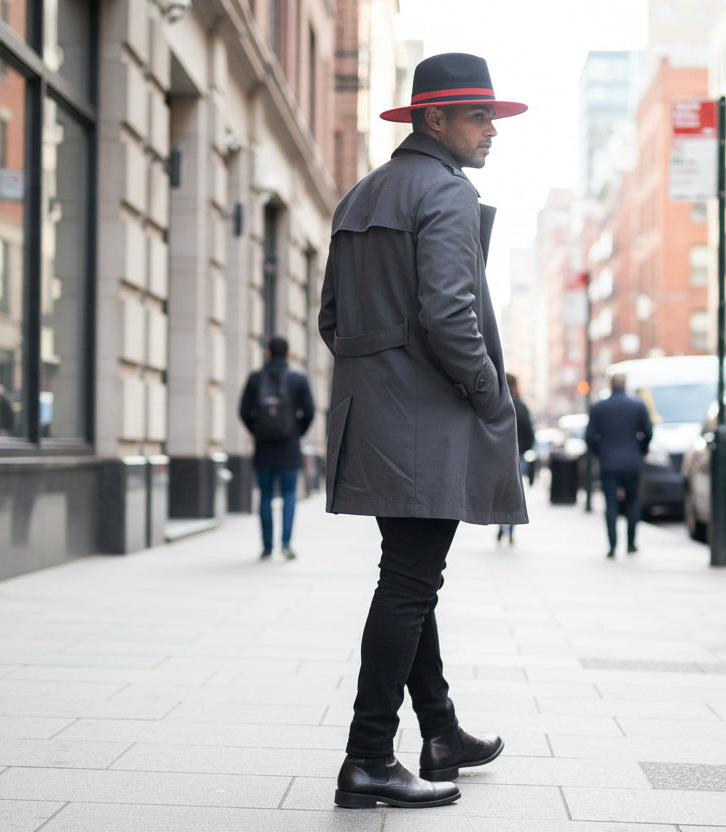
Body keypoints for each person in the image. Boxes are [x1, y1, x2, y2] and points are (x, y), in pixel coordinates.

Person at [319, 52, 529, 809]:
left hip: (373, 421)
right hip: (428, 423)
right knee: (409, 583)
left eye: (493, 117)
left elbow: (331, 322)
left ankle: (440, 732)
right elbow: (450, 318)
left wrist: (383, 377)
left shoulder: (360, 195)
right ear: (432, 118)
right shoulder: (442, 195)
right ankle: (368, 757)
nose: (491, 131)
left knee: (410, 579)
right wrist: (488, 394)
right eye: (479, 116)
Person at [238, 335, 315, 559]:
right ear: (288, 353)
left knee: (265, 496)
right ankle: (286, 544)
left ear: (267, 352)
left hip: (263, 448)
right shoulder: (298, 379)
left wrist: (257, 431)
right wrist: (296, 432)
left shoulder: (255, 378)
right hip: (289, 448)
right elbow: (309, 412)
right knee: (290, 495)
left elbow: (243, 412)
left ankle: (267, 546)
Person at [586, 373, 653, 558]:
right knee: (633, 501)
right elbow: (648, 432)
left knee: (611, 504)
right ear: (625, 385)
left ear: (611, 385)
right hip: (632, 461)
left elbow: (590, 437)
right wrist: (640, 449)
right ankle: (631, 543)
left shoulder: (599, 407)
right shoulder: (638, 406)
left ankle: (612, 544)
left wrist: (601, 452)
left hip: (608, 463)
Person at [497, 373, 534, 544]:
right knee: (514, 493)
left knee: (500, 492)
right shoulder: (520, 405)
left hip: (498, 454)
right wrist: (523, 449)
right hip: (517, 454)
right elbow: (529, 432)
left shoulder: (497, 402)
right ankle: (510, 529)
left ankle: (500, 525)